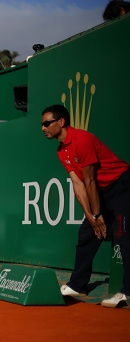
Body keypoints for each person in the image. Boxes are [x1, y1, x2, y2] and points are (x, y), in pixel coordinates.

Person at [41, 104, 130, 308]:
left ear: (61, 122)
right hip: (102, 192)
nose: (43, 128)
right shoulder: (61, 150)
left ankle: (127, 292)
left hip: (122, 186)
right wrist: (90, 216)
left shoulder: (82, 139)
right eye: (42, 124)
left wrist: (98, 214)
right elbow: (77, 183)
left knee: (124, 236)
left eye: (47, 123)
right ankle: (77, 284)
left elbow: (89, 181)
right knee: (87, 234)